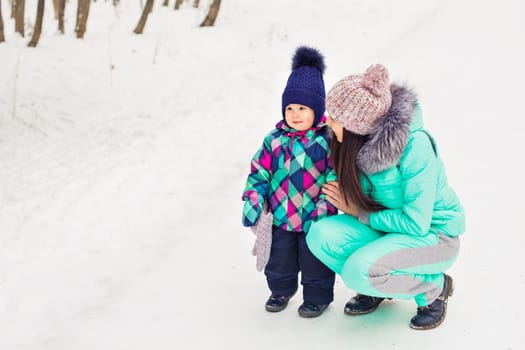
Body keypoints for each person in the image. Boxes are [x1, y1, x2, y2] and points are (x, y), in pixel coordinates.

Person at [306, 64, 465, 330]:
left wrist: (359, 213)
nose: (328, 122)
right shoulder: (353, 145)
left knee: (358, 271)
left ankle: (434, 288)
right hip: (388, 229)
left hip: (434, 236)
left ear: (356, 124)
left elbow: (416, 224)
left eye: (335, 117)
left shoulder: (416, 147)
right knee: (320, 235)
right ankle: (377, 284)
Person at [241, 46, 338, 318]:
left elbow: (334, 177)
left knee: (315, 261)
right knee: (278, 260)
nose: (295, 114)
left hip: (313, 219)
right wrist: (254, 199)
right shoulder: (274, 140)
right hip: (280, 216)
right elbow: (259, 172)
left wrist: (322, 211)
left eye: (303, 108)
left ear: (317, 109)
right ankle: (280, 290)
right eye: (290, 107)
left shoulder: (326, 141)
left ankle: (317, 298)